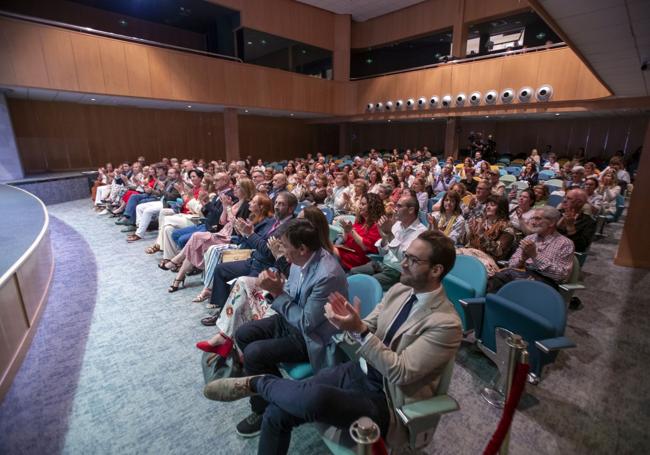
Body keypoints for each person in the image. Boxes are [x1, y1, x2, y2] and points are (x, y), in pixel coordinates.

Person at [203, 231, 462, 455]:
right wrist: (346, 324)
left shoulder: (446, 324)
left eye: (412, 260)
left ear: (436, 270)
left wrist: (358, 329)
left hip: (388, 398)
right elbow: (366, 329)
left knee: (314, 398)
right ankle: (263, 387)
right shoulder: (400, 291)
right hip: (358, 370)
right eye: (405, 255)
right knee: (277, 411)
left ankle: (259, 383)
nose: (402, 263)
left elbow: (400, 372)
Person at [228, 219, 348, 437]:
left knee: (254, 354)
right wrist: (278, 286)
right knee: (243, 334)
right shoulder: (299, 260)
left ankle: (265, 408)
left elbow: (306, 323)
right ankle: (275, 393)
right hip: (290, 320)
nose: (281, 252)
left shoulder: (327, 274)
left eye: (285, 246)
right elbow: (292, 292)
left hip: (311, 337)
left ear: (302, 248)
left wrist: (277, 292)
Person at [195, 206, 333, 357]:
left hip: (298, 317)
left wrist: (279, 262)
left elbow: (301, 295)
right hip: (281, 287)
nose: (295, 222)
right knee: (243, 283)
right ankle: (226, 337)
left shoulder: (323, 261)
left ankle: (238, 347)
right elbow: (292, 277)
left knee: (253, 303)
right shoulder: (294, 244)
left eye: (300, 220)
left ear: (311, 228)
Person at [205, 192, 296, 314]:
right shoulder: (273, 221)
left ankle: (223, 315)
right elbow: (258, 239)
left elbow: (268, 252)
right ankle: (222, 309)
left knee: (239, 284)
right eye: (276, 203)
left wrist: (250, 234)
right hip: (254, 260)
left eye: (281, 204)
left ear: (290, 208)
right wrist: (244, 232)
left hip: (266, 267)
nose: (276, 206)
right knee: (221, 269)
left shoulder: (289, 226)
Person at [487, 206, 574, 292]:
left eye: (537, 219)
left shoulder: (565, 243)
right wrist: (522, 259)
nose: (532, 222)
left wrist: (535, 256)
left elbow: (561, 276)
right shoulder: (529, 238)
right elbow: (511, 264)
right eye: (532, 218)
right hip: (520, 275)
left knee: (500, 282)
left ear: (551, 223)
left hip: (545, 284)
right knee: (491, 277)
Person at [350, 192, 426, 291]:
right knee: (353, 272)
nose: (395, 209)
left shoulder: (421, 233)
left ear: (411, 210)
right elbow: (383, 252)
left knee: (366, 284)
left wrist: (389, 235)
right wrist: (384, 237)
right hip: (382, 263)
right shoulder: (397, 225)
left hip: (397, 271)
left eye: (399, 206)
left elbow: (405, 260)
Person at [460, 195, 516, 276]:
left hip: (488, 260)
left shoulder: (507, 227)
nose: (488, 207)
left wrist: (482, 235)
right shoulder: (480, 221)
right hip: (471, 253)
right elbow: (465, 242)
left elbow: (498, 251)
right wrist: (468, 231)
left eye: (492, 205)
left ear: (501, 208)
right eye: (487, 205)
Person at [335, 193, 384, 271]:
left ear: (372, 207)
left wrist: (351, 231)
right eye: (360, 203)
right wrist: (346, 230)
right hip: (347, 250)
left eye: (363, 204)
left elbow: (365, 247)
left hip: (359, 257)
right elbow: (345, 239)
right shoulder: (360, 220)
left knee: (328, 253)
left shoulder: (376, 225)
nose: (360, 206)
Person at [557, 188, 597, 254]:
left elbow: (580, 247)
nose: (564, 200)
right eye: (565, 197)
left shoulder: (589, 222)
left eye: (569, 198)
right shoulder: (556, 213)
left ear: (579, 203)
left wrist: (571, 227)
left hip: (567, 254)